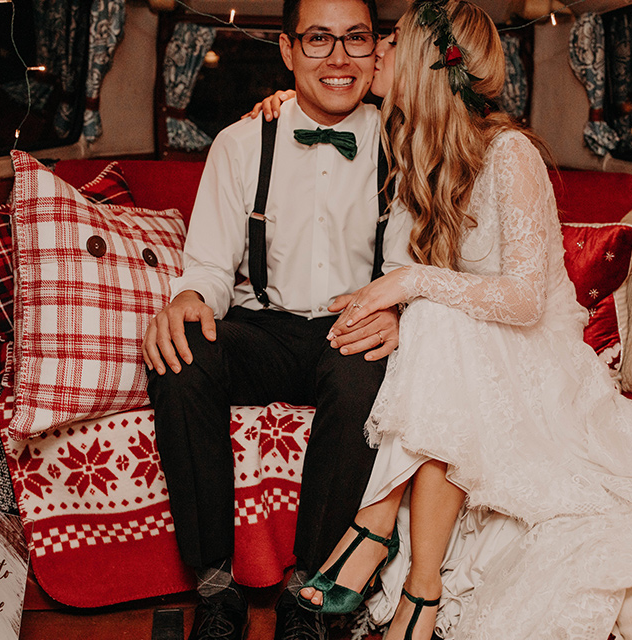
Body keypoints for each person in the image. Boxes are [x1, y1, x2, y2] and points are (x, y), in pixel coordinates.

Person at [257, 2, 632, 639]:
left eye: (389, 42)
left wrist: (410, 284)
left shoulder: (510, 154)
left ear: (426, 65)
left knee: (435, 315)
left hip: (534, 356)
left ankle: (377, 531)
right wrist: (279, 105)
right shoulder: (414, 149)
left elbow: (525, 300)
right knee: (436, 322)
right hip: (471, 355)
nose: (372, 54)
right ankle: (416, 586)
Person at [142, 1, 413, 639]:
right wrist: (189, 298)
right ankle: (215, 590)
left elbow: (405, 263)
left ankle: (310, 597)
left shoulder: (405, 145)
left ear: (377, 50)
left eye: (356, 39)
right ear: (288, 51)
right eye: (319, 40)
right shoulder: (240, 143)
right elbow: (209, 265)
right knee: (182, 354)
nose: (339, 58)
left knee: (363, 382)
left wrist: (395, 312)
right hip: (263, 325)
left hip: (352, 324)